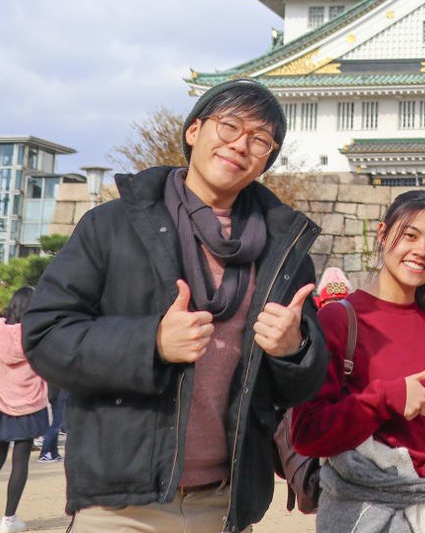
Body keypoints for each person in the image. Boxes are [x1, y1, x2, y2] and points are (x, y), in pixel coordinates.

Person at [23, 78, 329, 533]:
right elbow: (45, 335)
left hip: (223, 504)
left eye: (260, 140)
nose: (241, 145)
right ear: (193, 131)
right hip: (121, 505)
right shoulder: (113, 226)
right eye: (229, 126)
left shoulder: (284, 252)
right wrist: (151, 343)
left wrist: (294, 351)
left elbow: (299, 387)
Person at [291, 191, 425, 532]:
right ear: (383, 234)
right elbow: (307, 434)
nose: (420, 252)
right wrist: (387, 398)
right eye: (410, 236)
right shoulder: (339, 320)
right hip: (361, 514)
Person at [0, 287, 49, 531]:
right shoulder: (35, 333)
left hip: (0, 401)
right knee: (20, 462)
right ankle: (8, 520)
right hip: (29, 405)